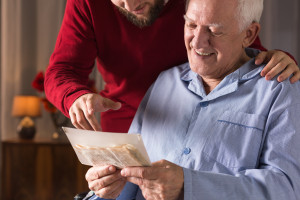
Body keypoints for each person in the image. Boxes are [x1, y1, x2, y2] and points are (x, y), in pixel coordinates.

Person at [85, 0, 300, 199]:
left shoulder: (280, 91)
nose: (197, 42)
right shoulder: (164, 82)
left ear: (249, 34)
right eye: (191, 25)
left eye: (214, 30)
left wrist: (188, 186)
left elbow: (286, 189)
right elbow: (130, 175)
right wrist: (112, 185)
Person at [44, 0, 300, 133]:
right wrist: (75, 97)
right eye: (119, 1)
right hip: (127, 128)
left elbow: (241, 50)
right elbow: (62, 70)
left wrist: (279, 59)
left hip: (203, 124)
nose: (131, 7)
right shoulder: (87, 3)